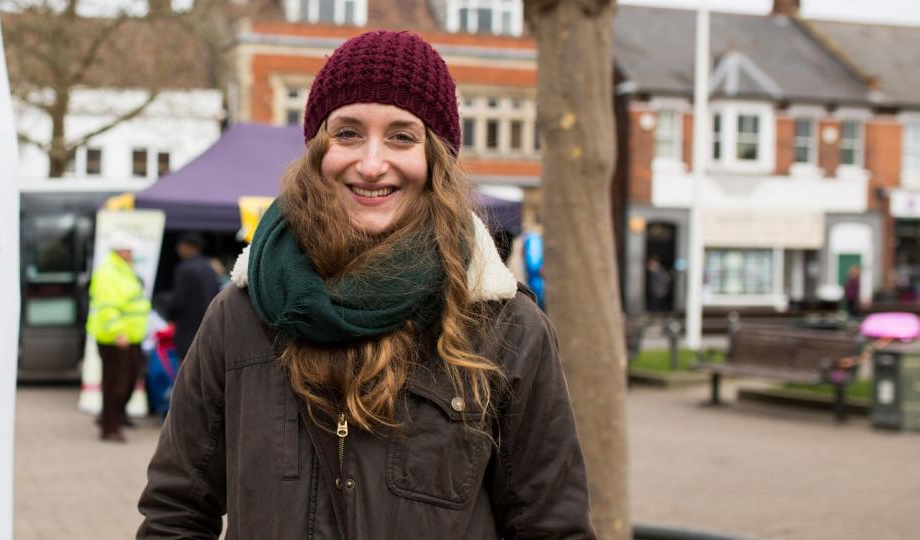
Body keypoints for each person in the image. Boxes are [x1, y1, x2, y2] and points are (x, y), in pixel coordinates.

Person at [137, 31, 592, 538]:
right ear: (316, 151)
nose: (372, 164)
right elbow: (175, 512)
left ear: (435, 158)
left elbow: (553, 527)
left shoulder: (507, 327)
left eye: (402, 136)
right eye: (348, 133)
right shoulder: (240, 314)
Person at [87, 233, 152, 443]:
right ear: (120, 251)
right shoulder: (109, 272)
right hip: (116, 339)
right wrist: (118, 333)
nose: (131, 254)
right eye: (129, 251)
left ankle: (117, 417)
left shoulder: (124, 270)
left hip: (130, 337)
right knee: (116, 383)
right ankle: (110, 427)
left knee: (130, 378)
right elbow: (107, 306)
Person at [167, 232, 221, 364]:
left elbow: (179, 302)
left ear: (187, 247)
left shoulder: (184, 269)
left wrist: (169, 313)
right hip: (207, 329)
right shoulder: (209, 268)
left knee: (186, 371)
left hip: (187, 330)